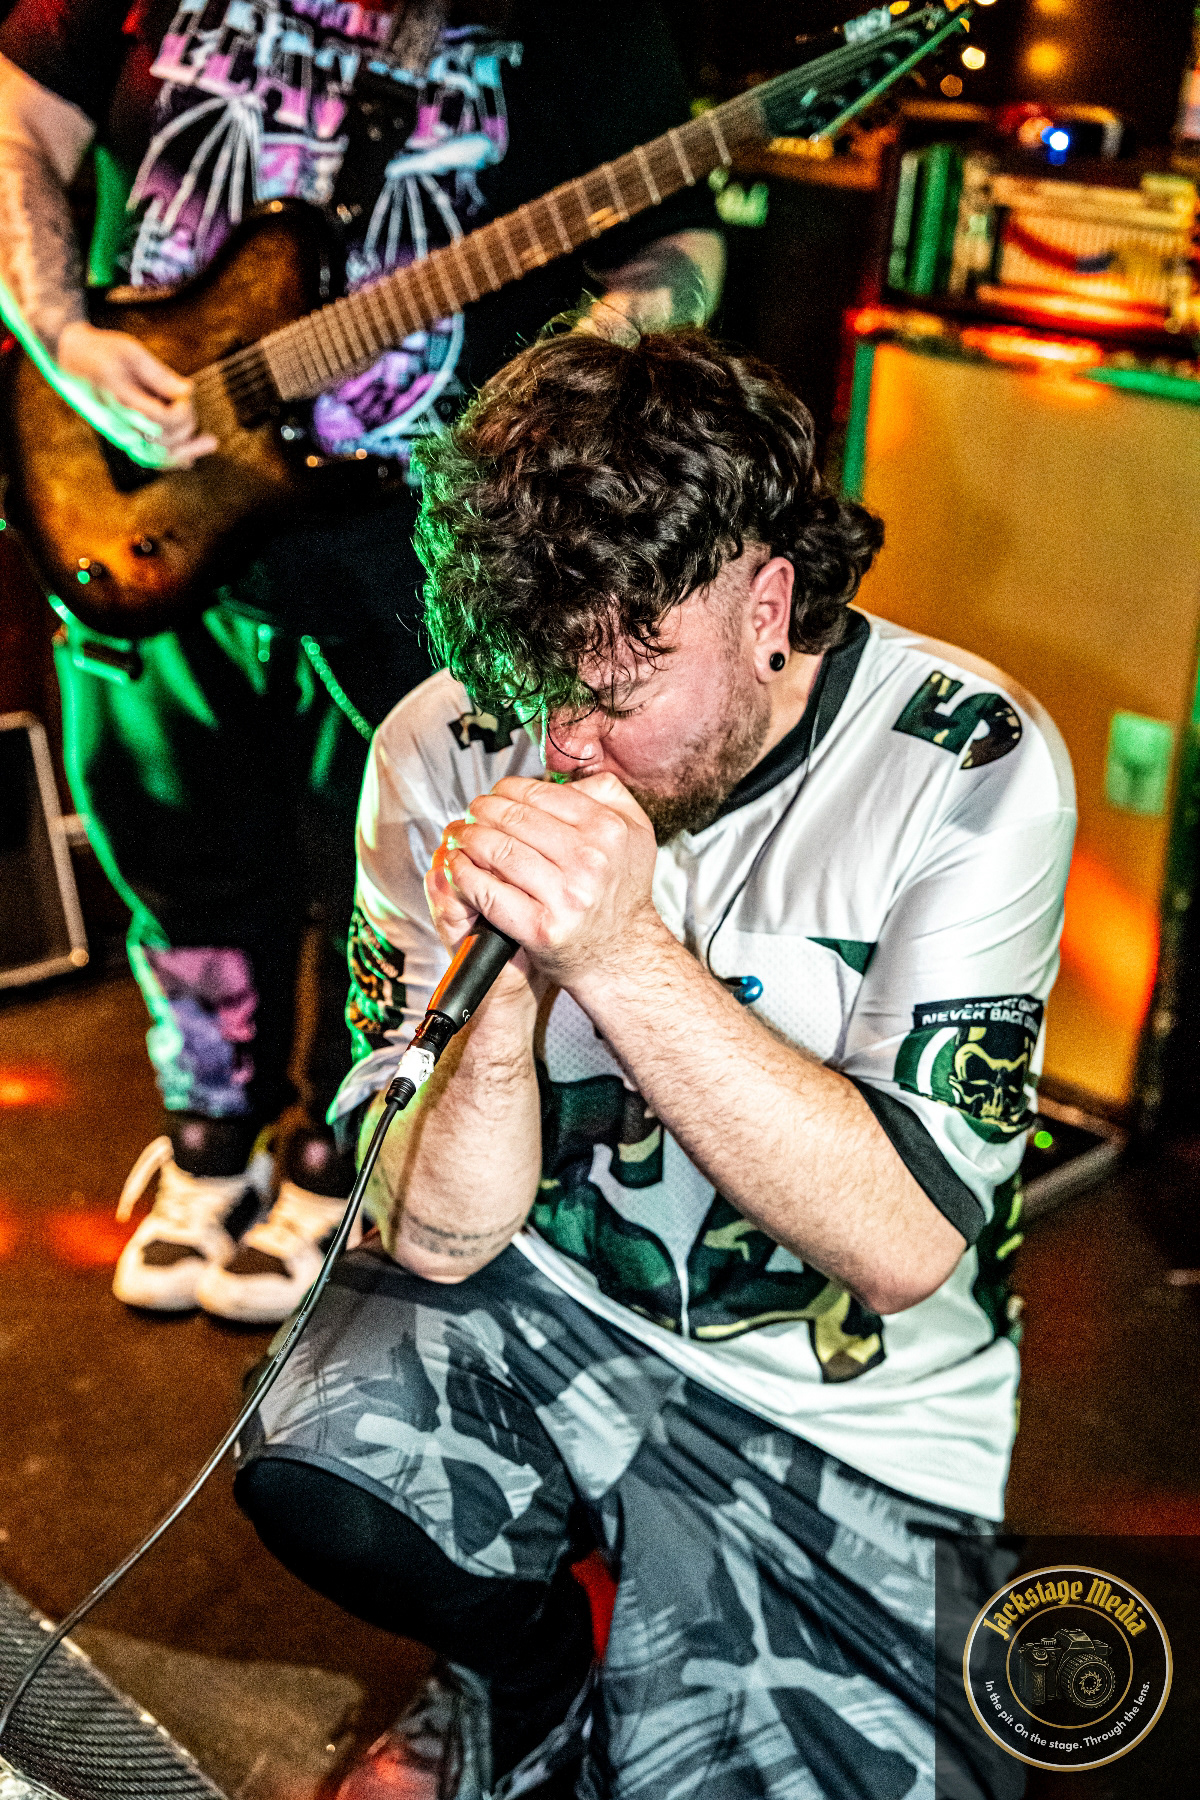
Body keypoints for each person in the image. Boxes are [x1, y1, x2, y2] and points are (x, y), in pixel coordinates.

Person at [233, 328, 1075, 1798]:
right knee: (319, 1452)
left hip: (844, 1404)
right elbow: (434, 1237)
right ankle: (525, 1671)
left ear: (768, 603)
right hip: (539, 1309)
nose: (565, 744)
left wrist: (618, 952)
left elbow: (902, 1245)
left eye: (621, 691)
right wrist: (502, 989)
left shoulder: (968, 762)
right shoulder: (439, 742)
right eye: (531, 684)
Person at [0, 0, 723, 1320]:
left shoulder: (583, 21)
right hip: (148, 501)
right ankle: (208, 1140)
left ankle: (340, 1165)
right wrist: (61, 333)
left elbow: (677, 242)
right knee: (169, 844)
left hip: (419, 548)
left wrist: (592, 358)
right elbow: (19, 115)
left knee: (397, 875)